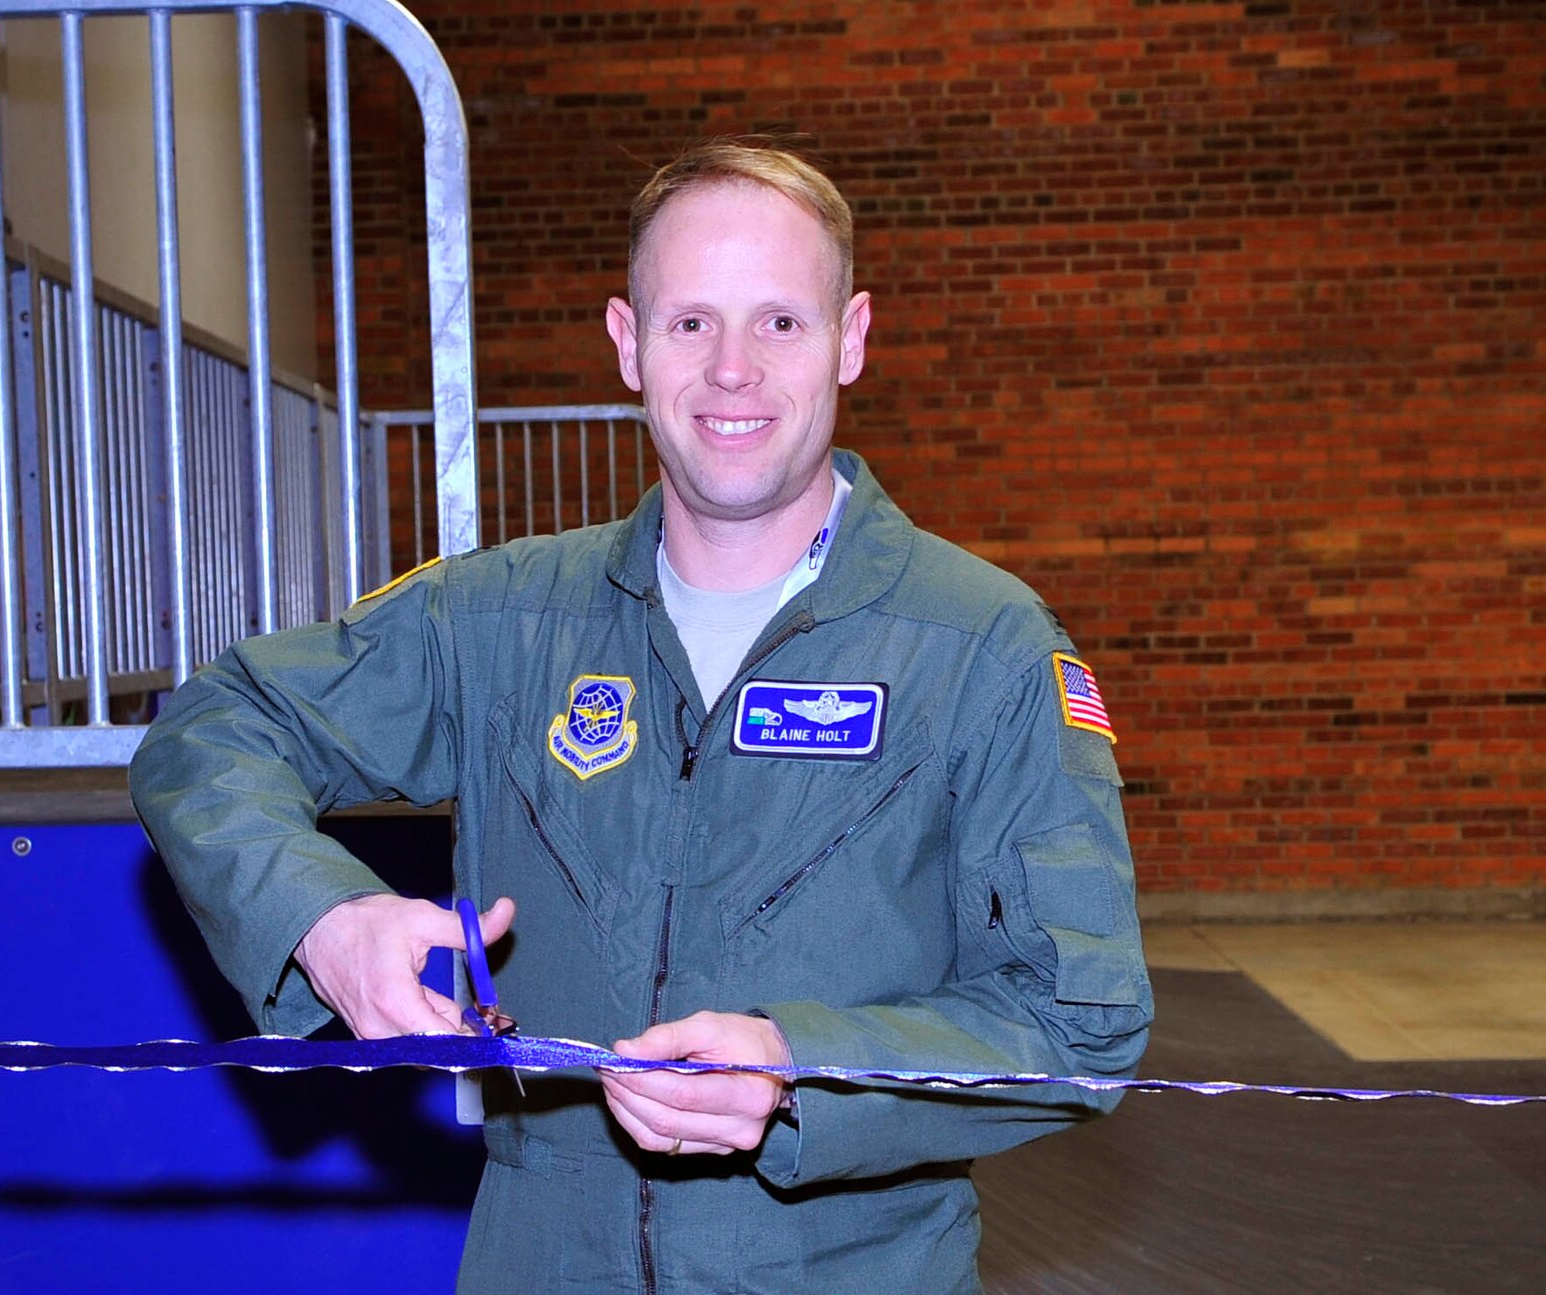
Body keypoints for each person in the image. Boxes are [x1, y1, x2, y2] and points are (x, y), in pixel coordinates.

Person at [131, 137, 1151, 1295]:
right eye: (689, 323)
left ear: (850, 338)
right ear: (626, 342)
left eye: (779, 321)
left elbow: (1078, 1022)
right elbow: (212, 725)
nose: (731, 370)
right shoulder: (504, 620)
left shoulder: (979, 648)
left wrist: (799, 1066)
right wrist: (322, 915)